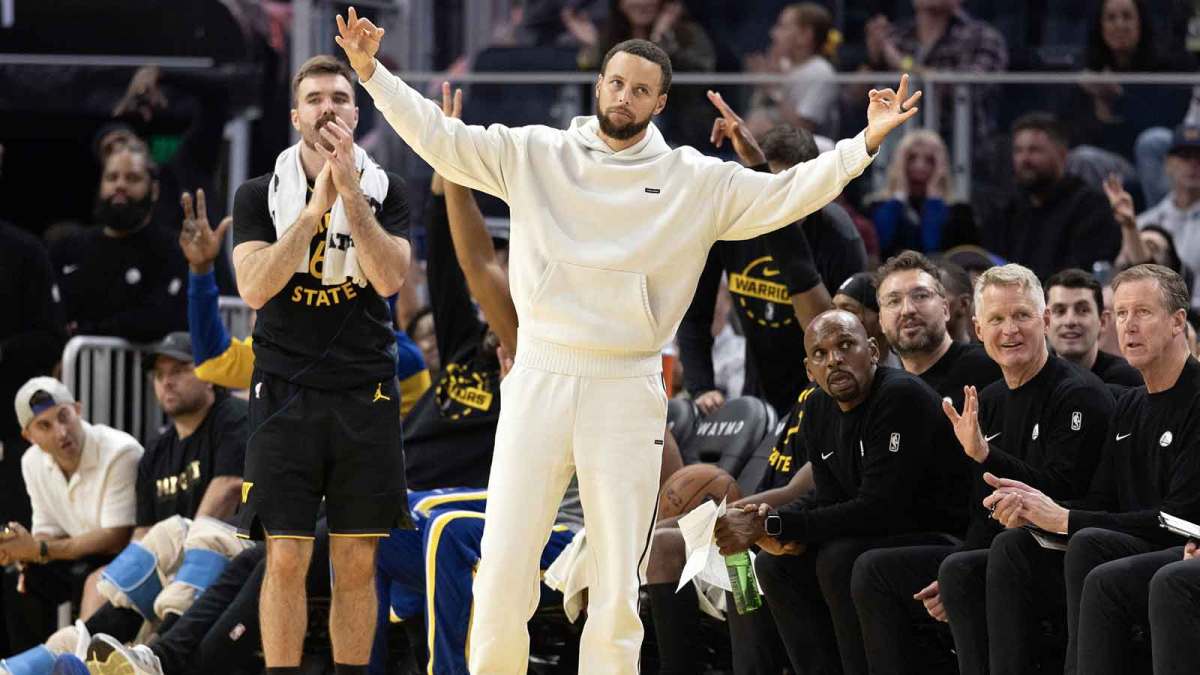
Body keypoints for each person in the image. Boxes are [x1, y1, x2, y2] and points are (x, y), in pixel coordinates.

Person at [335, 5, 920, 670]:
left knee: (617, 580)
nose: (625, 96)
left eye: (641, 88)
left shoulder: (694, 180)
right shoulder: (536, 152)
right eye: (616, 82)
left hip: (628, 382)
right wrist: (373, 72)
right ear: (600, 85)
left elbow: (786, 193)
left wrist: (864, 143)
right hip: (540, 372)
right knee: (502, 565)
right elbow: (441, 139)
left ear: (660, 101)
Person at [230, 53, 413, 675]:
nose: (327, 107)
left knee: (356, 560)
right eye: (314, 98)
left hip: (366, 390)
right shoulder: (258, 195)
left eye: (339, 96)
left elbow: (389, 279)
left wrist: (350, 196)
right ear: (295, 114)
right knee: (284, 557)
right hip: (283, 389)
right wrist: (314, 211)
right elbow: (255, 288)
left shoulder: (389, 190)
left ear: (356, 113)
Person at [851, 262, 1114, 675]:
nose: (1009, 330)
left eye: (1021, 316)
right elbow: (982, 508)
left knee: (979, 562)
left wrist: (985, 457)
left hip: (1071, 547)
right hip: (1008, 547)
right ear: (977, 328)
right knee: (877, 569)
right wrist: (956, 565)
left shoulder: (1078, 394)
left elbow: (1062, 492)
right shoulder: (987, 400)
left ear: (1044, 320)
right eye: (996, 319)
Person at [714, 309, 966, 675]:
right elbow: (831, 499)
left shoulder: (900, 397)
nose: (834, 359)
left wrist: (779, 527)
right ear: (808, 369)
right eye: (821, 353)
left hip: (940, 536)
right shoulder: (816, 408)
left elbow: (880, 508)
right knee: (769, 564)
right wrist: (765, 528)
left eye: (846, 345)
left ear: (873, 351)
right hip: (874, 533)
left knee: (839, 558)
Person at [979, 263, 1200, 675]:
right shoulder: (1130, 404)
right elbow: (1102, 499)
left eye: (1143, 313)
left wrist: (1066, 518)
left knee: (1091, 547)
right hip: (1139, 541)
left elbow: (1181, 520)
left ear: (1177, 322)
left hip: (1181, 545)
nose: (1128, 326)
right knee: (1013, 545)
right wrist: (1034, 509)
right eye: (1121, 314)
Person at [679, 111, 866, 416]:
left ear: (814, 187)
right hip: (758, 388)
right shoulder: (730, 222)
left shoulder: (841, 238)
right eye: (769, 189)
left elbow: (844, 334)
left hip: (825, 392)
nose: (777, 203)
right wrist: (701, 386)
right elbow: (695, 311)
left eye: (788, 190)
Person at [1, 378, 141, 659]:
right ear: (29, 436)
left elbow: (117, 535)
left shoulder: (120, 450)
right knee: (20, 577)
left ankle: (78, 662)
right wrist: (21, 550)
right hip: (77, 554)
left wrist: (40, 550)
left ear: (78, 410)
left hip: (124, 555)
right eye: (45, 425)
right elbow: (47, 530)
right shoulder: (31, 462)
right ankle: (29, 662)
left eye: (64, 417)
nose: (62, 432)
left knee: (86, 577)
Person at [51, 144, 188, 342]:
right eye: (111, 177)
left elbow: (158, 319)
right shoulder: (68, 247)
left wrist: (87, 333)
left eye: (132, 178)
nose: (120, 185)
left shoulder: (171, 249)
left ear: (154, 190)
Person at [978, 113, 1121, 280]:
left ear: (1062, 154)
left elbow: (1084, 273)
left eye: (1034, 150)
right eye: (1018, 151)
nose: (1024, 159)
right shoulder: (1007, 211)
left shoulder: (1090, 208)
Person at [862, 0, 1007, 155]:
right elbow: (852, 101)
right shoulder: (896, 37)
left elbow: (968, 88)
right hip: (895, 155)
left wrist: (903, 64)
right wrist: (873, 60)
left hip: (963, 154)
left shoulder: (983, 37)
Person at [0, 219, 65, 538]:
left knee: (10, 542)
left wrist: (4, 351)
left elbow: (51, 340)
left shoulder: (23, 250)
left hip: (10, 431)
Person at [1064, 0, 1192, 161]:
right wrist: (1101, 106)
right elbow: (1072, 135)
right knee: (1082, 157)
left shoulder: (1166, 67)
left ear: (1140, 23)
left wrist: (1119, 98)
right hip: (1103, 161)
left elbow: (1164, 127)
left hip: (1152, 163)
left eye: (1127, 17)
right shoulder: (1087, 72)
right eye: (1111, 18)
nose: (1120, 25)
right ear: (1100, 26)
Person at [869, 130, 976, 257]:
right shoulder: (877, 206)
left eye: (930, 160)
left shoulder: (959, 212)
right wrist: (899, 195)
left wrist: (934, 200)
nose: (919, 165)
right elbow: (881, 245)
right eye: (911, 158)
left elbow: (932, 250)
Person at [1127, 124, 1200, 307]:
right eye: (1184, 157)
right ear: (1167, 163)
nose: (1193, 164)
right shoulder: (1144, 223)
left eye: (1199, 157)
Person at [743, 3, 840, 137]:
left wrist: (773, 89)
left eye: (783, 27)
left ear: (805, 35)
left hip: (813, 150)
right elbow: (756, 113)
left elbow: (803, 128)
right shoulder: (783, 64)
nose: (773, 34)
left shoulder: (821, 72)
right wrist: (764, 78)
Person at [1045, 268, 1142, 388]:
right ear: (1045, 322)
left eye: (1083, 310)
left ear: (1103, 321)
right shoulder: (1029, 380)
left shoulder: (1131, 382)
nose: (1070, 321)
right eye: (1060, 311)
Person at [834, 272, 900, 368]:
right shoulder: (834, 366)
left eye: (848, 310)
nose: (835, 319)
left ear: (881, 319)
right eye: (833, 309)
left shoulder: (910, 358)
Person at [937, 260, 976, 344]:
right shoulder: (906, 354)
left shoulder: (988, 356)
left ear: (963, 304)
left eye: (935, 295)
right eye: (920, 296)